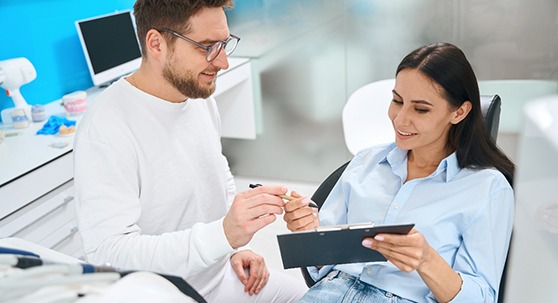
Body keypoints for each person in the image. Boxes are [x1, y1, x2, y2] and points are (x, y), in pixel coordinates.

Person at [73, 0, 306, 302]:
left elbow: (216, 170)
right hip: (162, 294)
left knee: (313, 296)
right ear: (156, 43)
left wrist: (232, 246)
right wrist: (222, 236)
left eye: (224, 44)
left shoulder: (196, 93)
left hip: (218, 276)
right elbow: (110, 256)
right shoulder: (106, 128)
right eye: (206, 46)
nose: (222, 62)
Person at [283, 42, 515, 303]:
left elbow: (482, 297)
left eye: (421, 109)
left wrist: (426, 260)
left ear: (459, 112)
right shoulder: (366, 162)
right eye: (397, 101)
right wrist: (309, 232)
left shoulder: (487, 188)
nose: (400, 119)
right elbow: (318, 272)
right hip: (329, 293)